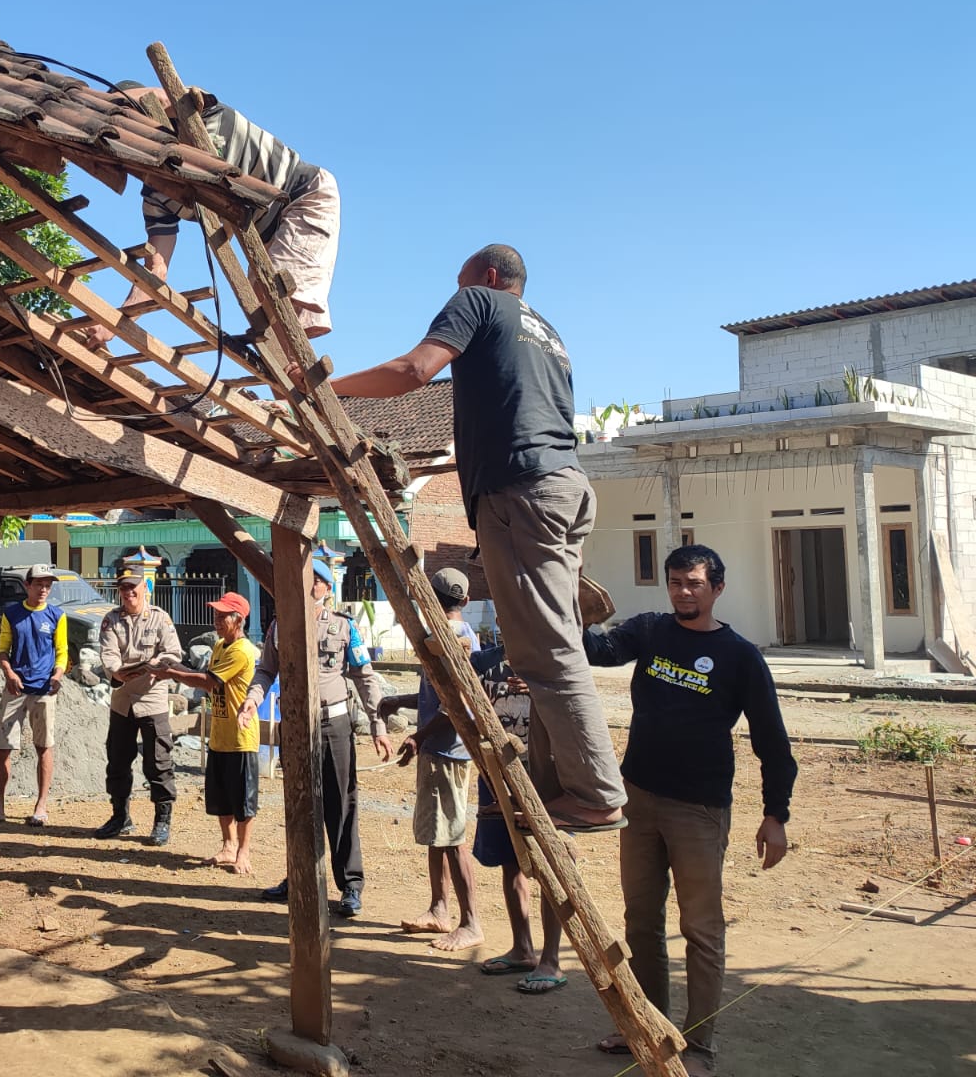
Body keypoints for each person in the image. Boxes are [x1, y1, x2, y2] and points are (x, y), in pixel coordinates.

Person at [321, 243, 626, 831]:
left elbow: (415, 370)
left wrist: (336, 390)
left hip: (521, 489)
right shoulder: (548, 333)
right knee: (547, 642)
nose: (455, 290)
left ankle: (596, 793)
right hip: (567, 486)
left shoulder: (479, 301)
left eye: (460, 281)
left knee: (545, 650)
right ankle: (563, 784)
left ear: (488, 278)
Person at [585, 544, 797, 1074]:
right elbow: (597, 651)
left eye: (695, 583)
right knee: (640, 919)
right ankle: (647, 1026)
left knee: (701, 928)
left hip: (700, 809)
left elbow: (772, 741)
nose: (684, 592)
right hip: (639, 799)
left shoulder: (740, 656)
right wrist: (568, 594)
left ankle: (699, 1045)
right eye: (676, 582)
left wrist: (776, 814)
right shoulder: (653, 630)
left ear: (717, 588)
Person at [78, 82, 340, 348]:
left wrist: (98, 106)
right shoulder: (157, 194)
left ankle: (299, 380)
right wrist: (117, 321)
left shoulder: (199, 117)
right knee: (269, 318)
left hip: (302, 195)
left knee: (276, 295)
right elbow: (157, 270)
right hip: (262, 234)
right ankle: (290, 385)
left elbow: (166, 95)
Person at [244, 560, 393, 917]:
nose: (307, 587)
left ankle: (350, 885)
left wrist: (378, 724)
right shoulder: (281, 626)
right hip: (295, 726)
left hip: (334, 726)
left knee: (340, 805)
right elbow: (266, 670)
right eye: (302, 580)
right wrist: (253, 698)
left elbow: (364, 675)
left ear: (326, 588)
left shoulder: (343, 627)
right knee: (298, 804)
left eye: (315, 582)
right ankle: (300, 876)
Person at [377, 568, 483, 950]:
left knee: (453, 837)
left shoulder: (453, 643)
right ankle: (439, 909)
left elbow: (458, 707)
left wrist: (418, 736)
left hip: (447, 750)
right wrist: (399, 701)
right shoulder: (454, 636)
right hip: (440, 747)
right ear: (465, 602)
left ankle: (470, 922)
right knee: (438, 834)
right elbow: (436, 698)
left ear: (427, 600)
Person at [470, 645, 568, 995]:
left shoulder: (553, 659)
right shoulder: (483, 662)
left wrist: (542, 692)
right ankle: (522, 948)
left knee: (550, 867)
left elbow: (576, 709)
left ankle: (552, 961)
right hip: (497, 773)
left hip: (544, 774)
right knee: (510, 862)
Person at [151, 592, 260, 874]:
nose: (217, 619)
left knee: (243, 801)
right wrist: (174, 669)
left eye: (223, 615)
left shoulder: (241, 650)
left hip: (240, 739)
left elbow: (209, 682)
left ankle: (244, 853)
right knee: (221, 797)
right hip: (220, 736)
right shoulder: (221, 646)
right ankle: (228, 846)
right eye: (217, 614)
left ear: (239, 620)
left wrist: (172, 672)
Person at [94, 572, 185, 845]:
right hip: (122, 700)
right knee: (118, 761)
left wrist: (157, 663)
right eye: (123, 589)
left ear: (144, 589)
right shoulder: (111, 619)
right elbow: (108, 654)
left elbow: (174, 653)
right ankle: (120, 816)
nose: (128, 594)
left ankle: (162, 820)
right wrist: (116, 671)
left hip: (152, 699)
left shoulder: (160, 618)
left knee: (158, 762)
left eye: (133, 589)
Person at [0, 563, 67, 828]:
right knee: (2, 747)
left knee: (44, 746)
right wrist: (8, 672)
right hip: (15, 688)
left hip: (44, 690)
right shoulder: (12, 614)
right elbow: (2, 648)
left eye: (48, 585)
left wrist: (57, 676)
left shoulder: (56, 616)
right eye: (39, 584)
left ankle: (41, 806)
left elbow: (61, 652)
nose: (44, 589)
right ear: (27, 585)